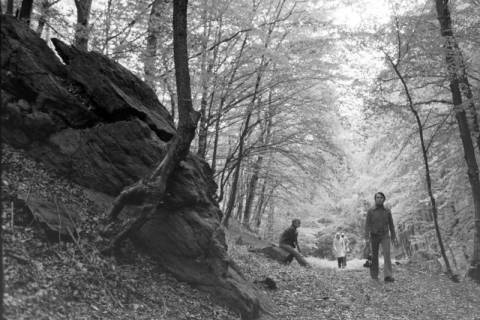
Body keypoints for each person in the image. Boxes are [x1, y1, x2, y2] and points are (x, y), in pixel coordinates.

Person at [365, 192, 398, 282]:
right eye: (377, 197)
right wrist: (366, 238)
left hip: (385, 235)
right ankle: (374, 275)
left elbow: (391, 224)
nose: (379, 199)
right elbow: (367, 225)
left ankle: (388, 276)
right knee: (374, 256)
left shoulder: (387, 210)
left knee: (387, 254)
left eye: (381, 197)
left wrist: (394, 236)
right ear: (375, 199)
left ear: (384, 199)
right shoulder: (370, 210)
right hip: (373, 236)